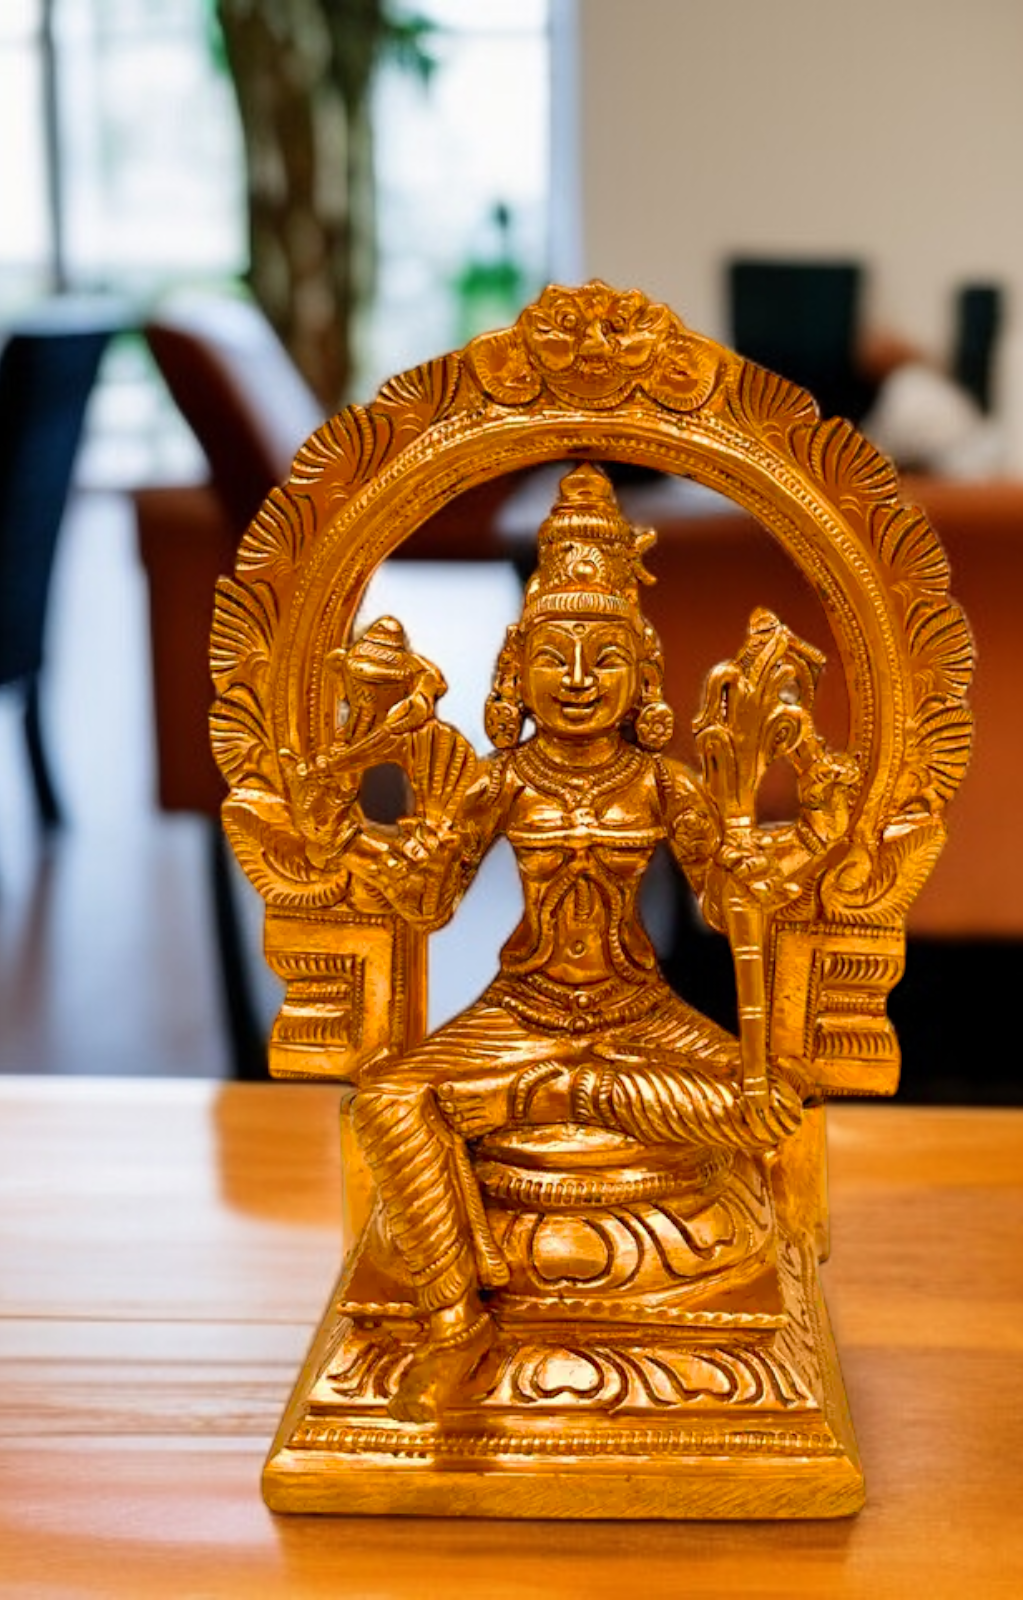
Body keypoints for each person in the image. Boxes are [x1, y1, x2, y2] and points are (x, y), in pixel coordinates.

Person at [347, 463, 806, 1422]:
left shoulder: (664, 784)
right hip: (525, 1006)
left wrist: (750, 866)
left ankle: (562, 1094)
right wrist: (400, 844)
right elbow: (428, 904)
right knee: (388, 1101)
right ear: (516, 671)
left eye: (605, 658)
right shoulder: (501, 780)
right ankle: (452, 1322)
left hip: (638, 1012)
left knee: (767, 1106)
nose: (582, 680)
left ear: (644, 673)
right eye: (555, 658)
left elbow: (723, 910)